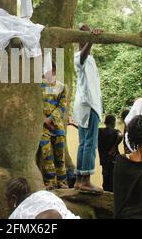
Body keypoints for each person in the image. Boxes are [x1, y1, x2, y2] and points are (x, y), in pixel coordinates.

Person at [72, 25, 104, 194]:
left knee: (84, 143)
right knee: (89, 143)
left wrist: (90, 37)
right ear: (80, 41)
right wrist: (91, 38)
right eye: (83, 38)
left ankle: (79, 180)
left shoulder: (91, 59)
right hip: (88, 105)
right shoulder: (79, 56)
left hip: (88, 105)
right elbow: (83, 55)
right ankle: (85, 180)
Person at [40, 62, 68, 190]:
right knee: (47, 155)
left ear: (55, 71)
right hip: (42, 127)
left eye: (50, 70)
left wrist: (50, 119)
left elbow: (62, 106)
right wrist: (43, 120)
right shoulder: (38, 86)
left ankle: (62, 182)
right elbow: (35, 105)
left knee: (60, 156)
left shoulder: (62, 87)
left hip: (58, 127)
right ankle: (50, 181)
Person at [5, 177, 79, 219]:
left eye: (7, 199)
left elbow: (52, 215)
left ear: (13, 198)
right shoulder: (46, 194)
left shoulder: (16, 215)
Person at [98, 114, 123, 192]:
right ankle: (112, 193)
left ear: (105, 122)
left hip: (104, 159)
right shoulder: (115, 132)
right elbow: (120, 135)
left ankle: (105, 191)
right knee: (113, 177)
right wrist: (114, 146)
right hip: (113, 158)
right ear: (113, 123)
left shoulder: (99, 131)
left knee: (105, 176)